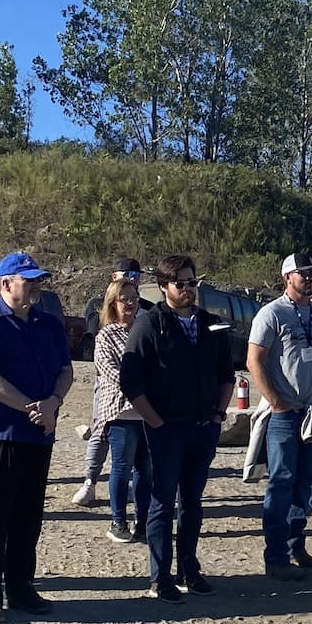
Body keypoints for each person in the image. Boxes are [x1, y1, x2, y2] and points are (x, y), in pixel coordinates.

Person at [0, 251, 73, 624]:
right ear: (5, 284)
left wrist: (53, 402)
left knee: (29, 515)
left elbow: (66, 370)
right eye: (30, 280)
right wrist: (30, 407)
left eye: (39, 279)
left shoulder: (49, 324)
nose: (37, 285)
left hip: (39, 434)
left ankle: (21, 585)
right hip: (1, 434)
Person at [121, 254, 234, 601]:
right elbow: (130, 379)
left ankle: (189, 568)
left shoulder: (211, 324)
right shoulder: (150, 325)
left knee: (193, 502)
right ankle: (161, 577)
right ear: (164, 287)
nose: (187, 290)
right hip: (166, 429)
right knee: (162, 502)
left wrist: (218, 414)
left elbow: (226, 374)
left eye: (192, 283)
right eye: (180, 284)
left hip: (203, 427)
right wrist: (154, 420)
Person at [246, 253, 312, 578]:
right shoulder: (271, 314)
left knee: (303, 482)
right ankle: (276, 556)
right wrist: (276, 401)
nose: (310, 279)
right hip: (285, 414)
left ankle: (298, 547)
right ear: (287, 277)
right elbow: (254, 359)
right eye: (303, 274)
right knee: (281, 482)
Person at [74, 258, 151, 505]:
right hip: (109, 391)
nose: (133, 277)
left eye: (136, 274)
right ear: (113, 275)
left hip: (143, 399)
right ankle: (90, 481)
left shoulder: (147, 312)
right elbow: (101, 345)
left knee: (141, 460)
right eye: (128, 273)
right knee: (99, 433)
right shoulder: (96, 308)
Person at [92, 279, 152, 546]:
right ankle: (118, 521)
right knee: (121, 467)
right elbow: (111, 373)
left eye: (134, 298)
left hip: (148, 413)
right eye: (124, 299)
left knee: (146, 470)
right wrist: (140, 388)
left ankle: (143, 522)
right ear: (113, 304)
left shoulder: (145, 331)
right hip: (121, 413)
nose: (130, 303)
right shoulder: (105, 336)